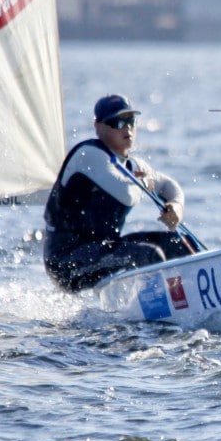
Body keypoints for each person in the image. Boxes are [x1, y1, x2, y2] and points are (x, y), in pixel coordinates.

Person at [43, 93, 199, 292]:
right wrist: (145, 181)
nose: (127, 128)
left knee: (180, 244)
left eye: (131, 121)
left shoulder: (132, 164)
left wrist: (176, 206)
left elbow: (168, 185)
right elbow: (126, 194)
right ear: (98, 128)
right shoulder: (88, 155)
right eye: (117, 123)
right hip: (66, 260)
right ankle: (163, 307)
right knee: (147, 256)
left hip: (103, 247)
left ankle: (192, 297)